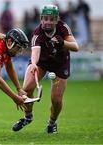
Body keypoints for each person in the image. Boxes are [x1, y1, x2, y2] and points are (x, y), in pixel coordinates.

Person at [12, 5, 79, 133]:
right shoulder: (38, 33)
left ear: (56, 19)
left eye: (51, 19)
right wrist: (33, 64)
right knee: (26, 90)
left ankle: (52, 123)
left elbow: (76, 47)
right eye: (45, 18)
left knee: (56, 100)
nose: (48, 21)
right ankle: (28, 117)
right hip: (41, 63)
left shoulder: (63, 28)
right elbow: (35, 52)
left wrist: (63, 43)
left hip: (60, 64)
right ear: (41, 19)